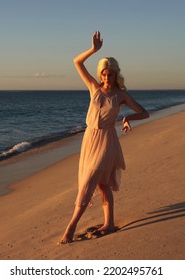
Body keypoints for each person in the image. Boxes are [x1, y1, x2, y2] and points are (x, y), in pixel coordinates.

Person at [60, 31, 149, 243]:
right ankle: (109, 222)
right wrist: (93, 50)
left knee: (89, 182)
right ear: (100, 75)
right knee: (103, 184)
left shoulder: (122, 96)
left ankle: (71, 227)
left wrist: (128, 117)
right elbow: (76, 62)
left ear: (116, 75)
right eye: (105, 75)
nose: (107, 78)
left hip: (107, 142)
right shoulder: (94, 88)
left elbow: (144, 112)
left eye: (111, 75)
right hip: (90, 139)